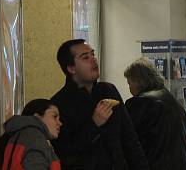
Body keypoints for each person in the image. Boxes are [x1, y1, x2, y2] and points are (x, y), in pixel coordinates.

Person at [51, 39, 149, 170]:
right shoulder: (59, 104)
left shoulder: (108, 90)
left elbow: (130, 139)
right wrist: (94, 124)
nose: (93, 60)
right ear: (71, 68)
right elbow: (65, 152)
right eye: (85, 57)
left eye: (93, 54)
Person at [124, 58, 186, 170]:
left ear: (137, 81)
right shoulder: (170, 99)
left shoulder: (140, 103)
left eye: (129, 83)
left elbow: (130, 140)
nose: (129, 88)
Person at [0, 98, 62, 170]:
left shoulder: (21, 135)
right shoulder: (34, 139)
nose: (60, 123)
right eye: (54, 116)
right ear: (37, 117)